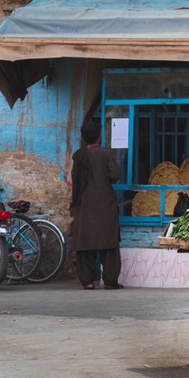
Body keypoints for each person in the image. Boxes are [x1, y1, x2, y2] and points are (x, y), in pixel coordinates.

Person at [70, 119, 122, 290]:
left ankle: (88, 282)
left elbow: (75, 181)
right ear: (99, 137)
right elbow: (115, 175)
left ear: (83, 138)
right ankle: (109, 280)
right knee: (109, 243)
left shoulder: (78, 156)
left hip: (84, 205)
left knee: (85, 243)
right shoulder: (105, 153)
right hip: (105, 203)